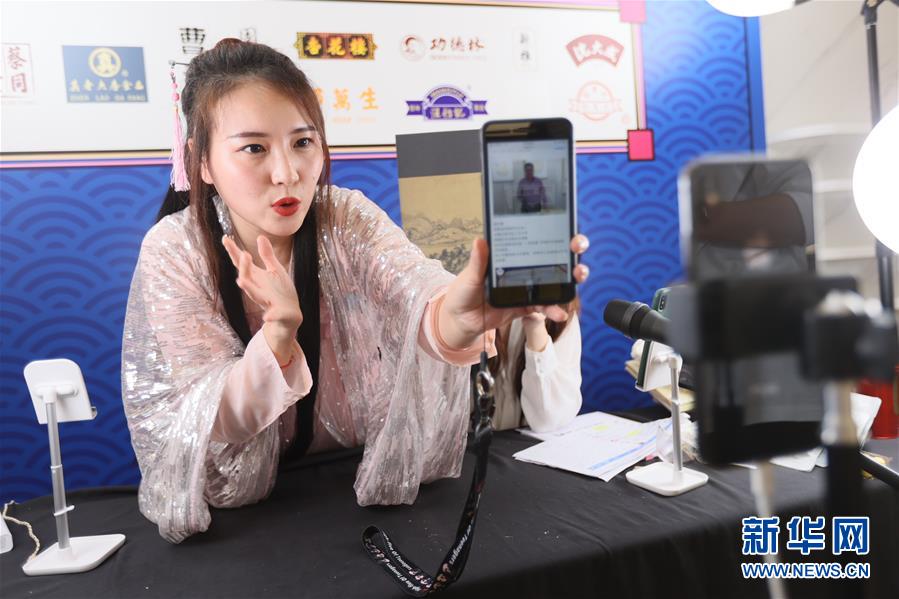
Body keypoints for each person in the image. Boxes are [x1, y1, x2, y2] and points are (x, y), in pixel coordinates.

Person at [120, 39, 589, 543]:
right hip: (244, 514)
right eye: (254, 148)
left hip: (352, 481)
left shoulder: (344, 217)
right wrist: (278, 335)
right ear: (202, 162)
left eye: (303, 142)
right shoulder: (176, 250)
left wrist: (462, 314)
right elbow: (215, 421)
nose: (287, 172)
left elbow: (417, 295)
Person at [488, 300, 582, 432]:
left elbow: (549, 421)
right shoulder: (468, 302)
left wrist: (536, 327)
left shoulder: (560, 312)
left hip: (526, 439)